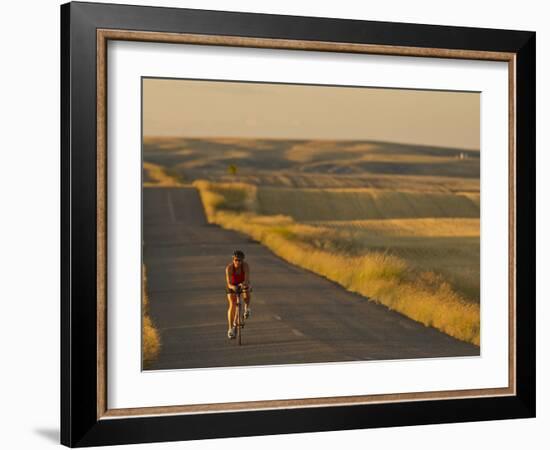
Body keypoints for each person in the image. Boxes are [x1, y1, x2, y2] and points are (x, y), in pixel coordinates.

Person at [225, 250, 252, 339]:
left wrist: (243, 284)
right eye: (236, 260)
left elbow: (247, 279)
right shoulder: (229, 268)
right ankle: (230, 329)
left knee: (246, 290)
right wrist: (233, 287)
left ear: (242, 260)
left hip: (242, 283)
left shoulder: (245, 266)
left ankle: (246, 308)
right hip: (232, 285)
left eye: (240, 260)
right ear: (233, 259)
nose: (238, 262)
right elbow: (228, 283)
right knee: (232, 304)